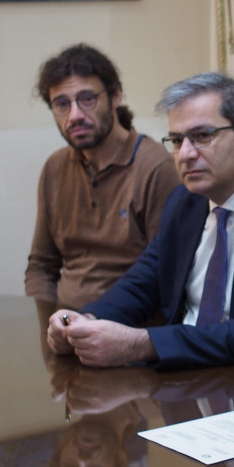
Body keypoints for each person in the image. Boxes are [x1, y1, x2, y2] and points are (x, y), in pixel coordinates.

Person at [46, 72, 234, 369]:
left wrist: (139, 344)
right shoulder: (185, 201)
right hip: (186, 371)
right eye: (177, 141)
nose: (185, 154)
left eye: (202, 136)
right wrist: (84, 321)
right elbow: (142, 284)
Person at [26, 44, 181, 310]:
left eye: (87, 99)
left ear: (115, 96)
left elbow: (167, 274)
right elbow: (41, 267)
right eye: (62, 104)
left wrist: (96, 324)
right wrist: (52, 324)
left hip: (129, 324)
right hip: (67, 322)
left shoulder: (157, 168)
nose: (75, 115)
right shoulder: (54, 168)